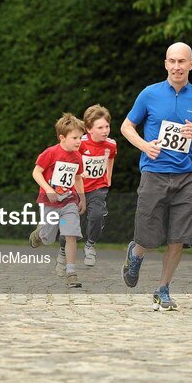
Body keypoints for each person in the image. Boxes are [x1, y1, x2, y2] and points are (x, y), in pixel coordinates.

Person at [120, 42, 192, 311]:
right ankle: (136, 253)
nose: (177, 66)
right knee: (147, 238)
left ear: (191, 65)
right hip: (153, 174)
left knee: (179, 237)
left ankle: (163, 288)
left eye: (182, 62)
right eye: (172, 61)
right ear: (166, 64)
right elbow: (127, 126)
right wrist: (144, 145)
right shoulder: (149, 94)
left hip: (186, 177)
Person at [28, 113, 86, 288]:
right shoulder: (51, 153)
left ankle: (71, 272)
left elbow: (77, 178)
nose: (79, 141)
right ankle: (39, 234)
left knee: (71, 234)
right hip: (49, 201)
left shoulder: (77, 157)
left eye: (81, 137)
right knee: (48, 238)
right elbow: (36, 172)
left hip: (69, 200)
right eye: (75, 138)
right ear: (62, 137)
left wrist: (82, 198)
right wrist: (48, 189)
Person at [73, 104, 116, 268]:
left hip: (98, 187)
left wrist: (109, 177)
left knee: (97, 215)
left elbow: (111, 158)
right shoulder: (81, 143)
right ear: (89, 129)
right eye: (100, 127)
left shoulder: (111, 144)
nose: (105, 130)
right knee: (71, 220)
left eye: (107, 126)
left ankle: (90, 245)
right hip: (78, 188)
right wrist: (78, 173)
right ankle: (58, 244)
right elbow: (68, 157)